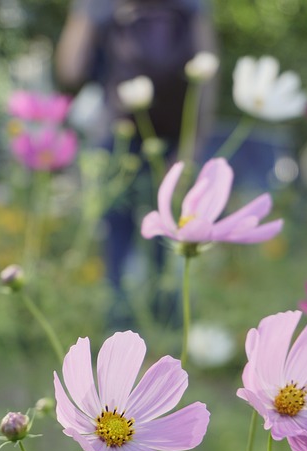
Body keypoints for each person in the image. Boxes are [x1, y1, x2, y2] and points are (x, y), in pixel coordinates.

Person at [55, 0, 217, 328]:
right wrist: (193, 143)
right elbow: (208, 72)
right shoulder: (191, 5)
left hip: (117, 134)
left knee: (117, 236)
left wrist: (81, 14)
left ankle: (120, 326)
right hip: (174, 136)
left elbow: (69, 70)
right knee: (170, 234)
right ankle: (167, 325)